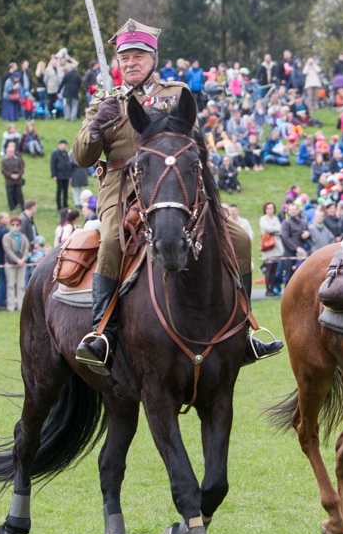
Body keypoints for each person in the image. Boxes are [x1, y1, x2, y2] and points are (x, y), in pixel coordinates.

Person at [71, 19, 280, 373]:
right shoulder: (104, 102)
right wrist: (96, 128)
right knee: (109, 240)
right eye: (124, 57)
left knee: (240, 238)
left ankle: (244, 329)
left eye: (138, 55)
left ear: (153, 58)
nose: (130, 62)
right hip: (122, 185)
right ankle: (102, 333)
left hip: (172, 182)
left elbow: (190, 141)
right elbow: (81, 157)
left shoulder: (175, 92)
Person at [2, 214, 30, 311]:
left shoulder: (23, 237)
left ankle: (21, 306)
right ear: (10, 225)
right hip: (10, 264)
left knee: (21, 285)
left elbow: (26, 248)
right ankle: (10, 307)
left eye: (17, 225)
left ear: (20, 226)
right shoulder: (6, 236)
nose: (15, 226)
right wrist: (16, 260)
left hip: (21, 263)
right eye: (13, 224)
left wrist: (23, 258)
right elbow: (7, 249)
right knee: (10, 285)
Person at [50, 139, 74, 211]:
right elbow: (53, 164)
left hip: (66, 176)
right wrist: (54, 174)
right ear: (60, 144)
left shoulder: (65, 153)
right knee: (59, 190)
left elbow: (69, 164)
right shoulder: (55, 153)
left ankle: (65, 205)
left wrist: (69, 175)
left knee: (65, 191)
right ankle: (59, 206)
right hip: (59, 175)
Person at [2, 142, 25, 213]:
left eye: (12, 152)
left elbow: (22, 168)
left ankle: (22, 206)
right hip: (9, 181)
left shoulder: (17, 159)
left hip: (18, 180)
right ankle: (12, 207)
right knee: (10, 194)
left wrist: (19, 174)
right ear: (6, 152)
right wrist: (11, 175)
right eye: (9, 152)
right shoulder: (4, 161)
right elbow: (3, 170)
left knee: (19, 193)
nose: (11, 153)